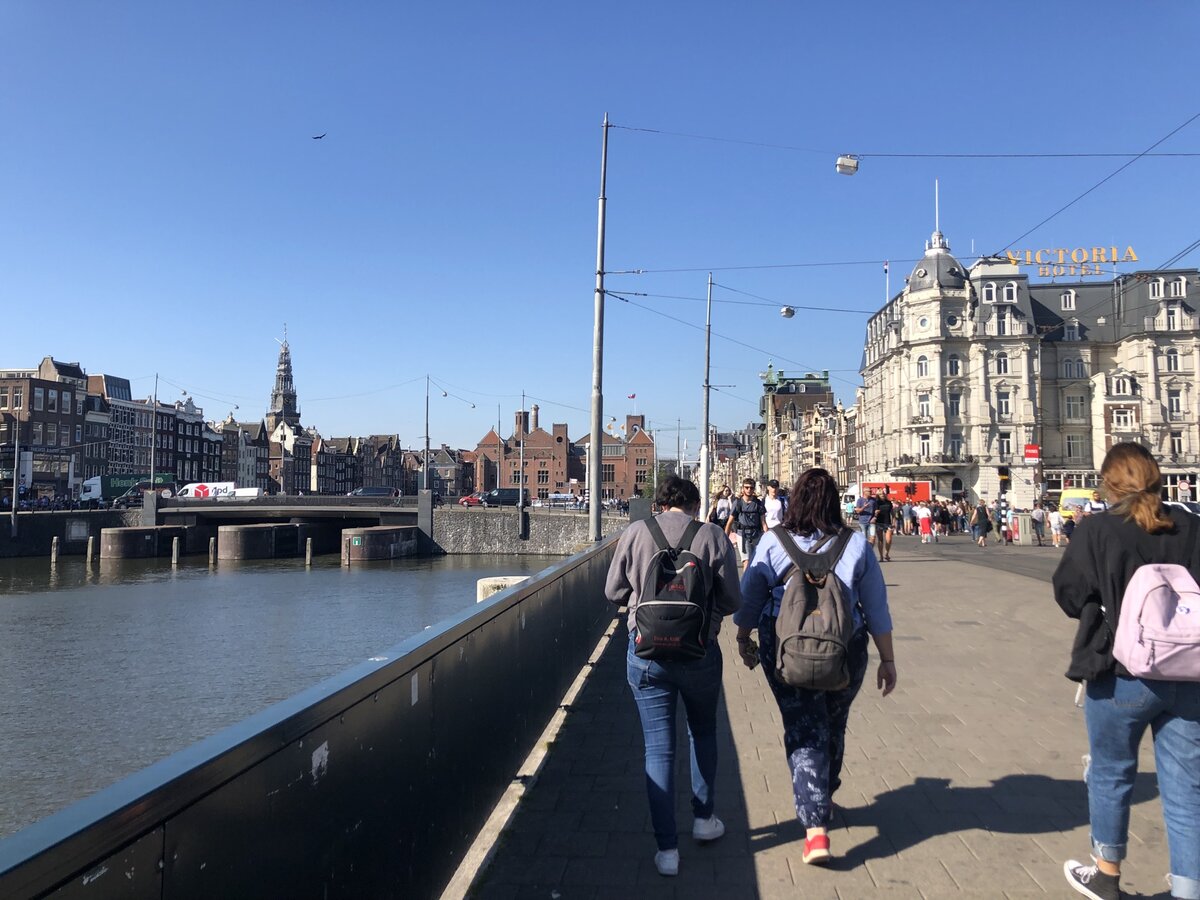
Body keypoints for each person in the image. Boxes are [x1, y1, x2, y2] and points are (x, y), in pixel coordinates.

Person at [1052, 443, 1200, 900]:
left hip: (1119, 671)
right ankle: (1189, 888)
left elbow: (1069, 594)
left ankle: (1106, 875)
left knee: (1111, 773)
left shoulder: (1098, 529)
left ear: (1109, 483)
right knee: (1187, 786)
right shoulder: (1192, 526)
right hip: (1188, 671)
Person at [735, 468, 896, 866]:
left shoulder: (774, 542)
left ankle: (815, 827)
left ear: (795, 501)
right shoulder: (855, 544)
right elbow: (876, 607)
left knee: (804, 725)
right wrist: (888, 659)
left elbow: (750, 598)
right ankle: (825, 795)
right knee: (833, 722)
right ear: (833, 502)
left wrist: (743, 638)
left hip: (784, 647)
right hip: (845, 646)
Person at [604, 476, 743, 877]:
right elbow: (732, 599)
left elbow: (613, 592)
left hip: (646, 653)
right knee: (703, 732)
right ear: (695, 505)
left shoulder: (636, 532)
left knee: (658, 749)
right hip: (699, 651)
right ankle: (704, 819)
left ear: (660, 504)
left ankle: (667, 852)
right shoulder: (712, 535)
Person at [726, 479, 767, 571]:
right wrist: (725, 538)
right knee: (747, 562)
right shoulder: (738, 503)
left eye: (751, 488)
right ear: (743, 488)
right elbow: (730, 522)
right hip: (742, 535)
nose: (749, 490)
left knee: (757, 562)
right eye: (746, 487)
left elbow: (763, 522)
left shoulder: (758, 504)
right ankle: (745, 580)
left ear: (754, 489)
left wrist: (768, 537)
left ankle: (753, 580)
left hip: (756, 534)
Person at [873, 488, 895, 561]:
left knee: (889, 539)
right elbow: (874, 512)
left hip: (887, 522)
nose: (882, 495)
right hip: (879, 522)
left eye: (883, 493)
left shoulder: (888, 502)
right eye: (880, 494)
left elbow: (892, 512)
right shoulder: (876, 502)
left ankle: (886, 553)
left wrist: (894, 521)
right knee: (880, 540)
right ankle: (881, 556)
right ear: (878, 495)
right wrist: (876, 513)